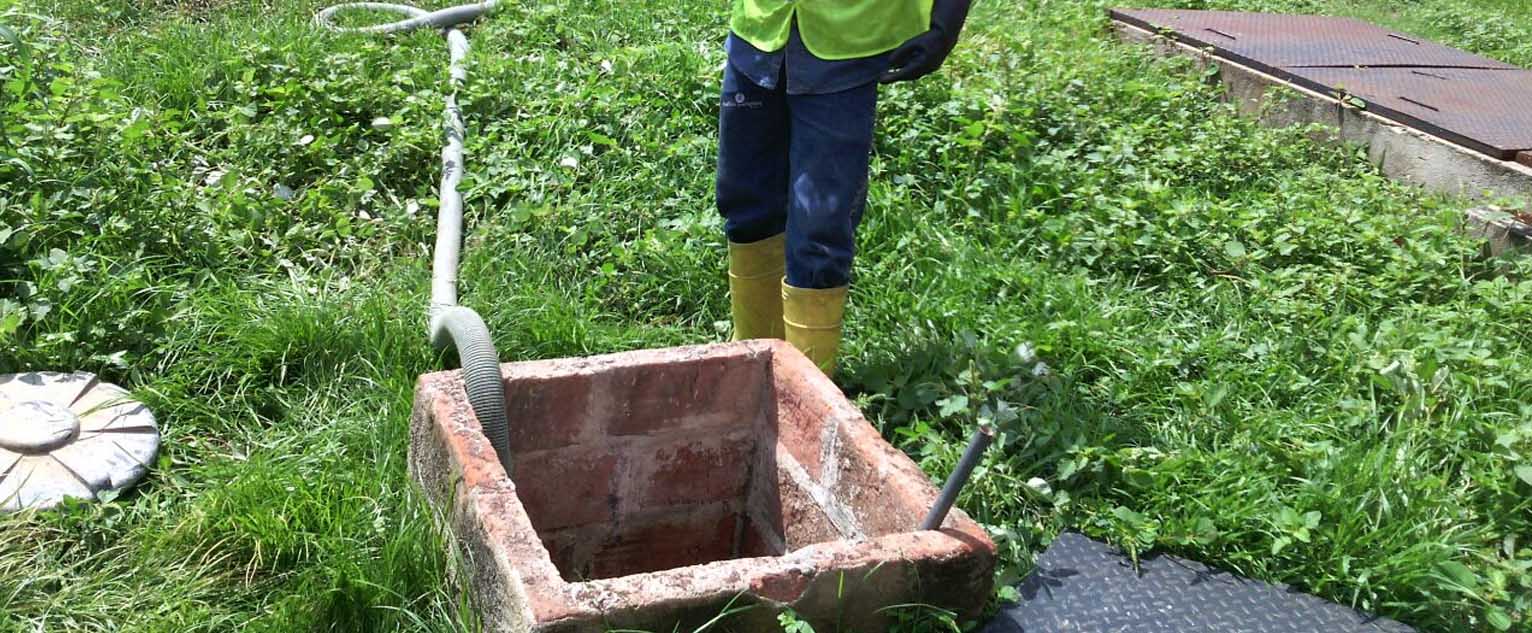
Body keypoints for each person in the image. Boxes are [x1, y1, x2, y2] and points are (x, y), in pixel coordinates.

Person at [717, 0, 973, 376]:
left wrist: (948, 16)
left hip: (850, 40)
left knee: (819, 230)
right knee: (746, 203)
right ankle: (749, 368)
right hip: (759, 29)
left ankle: (805, 396)